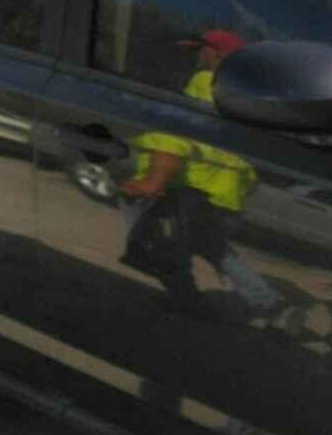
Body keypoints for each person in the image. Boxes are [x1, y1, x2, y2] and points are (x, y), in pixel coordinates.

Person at [118, 29, 280, 319]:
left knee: (159, 242)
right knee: (212, 247)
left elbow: (181, 131)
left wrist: (154, 179)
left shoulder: (207, 82)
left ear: (218, 54)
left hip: (195, 187)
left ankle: (189, 299)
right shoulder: (251, 96)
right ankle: (265, 300)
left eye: (201, 50)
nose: (197, 56)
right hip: (226, 191)